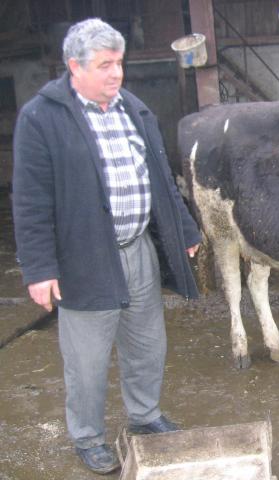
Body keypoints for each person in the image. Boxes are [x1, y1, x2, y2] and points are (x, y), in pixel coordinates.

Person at [12, 18, 201, 474]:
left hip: (138, 249)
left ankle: (145, 414)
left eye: (119, 63)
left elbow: (161, 178)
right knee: (87, 359)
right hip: (84, 259)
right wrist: (39, 268)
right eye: (104, 65)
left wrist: (185, 230)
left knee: (147, 343)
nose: (116, 73)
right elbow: (30, 200)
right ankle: (88, 436)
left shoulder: (133, 109)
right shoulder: (41, 118)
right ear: (74, 66)